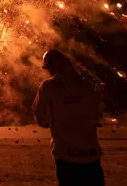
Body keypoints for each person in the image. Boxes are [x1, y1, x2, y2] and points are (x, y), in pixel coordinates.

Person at [32, 49, 105, 186]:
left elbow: (40, 117)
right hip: (92, 156)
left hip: (66, 156)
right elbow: (99, 117)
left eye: (47, 67)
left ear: (51, 66)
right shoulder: (89, 85)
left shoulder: (48, 87)